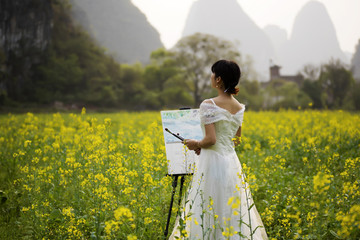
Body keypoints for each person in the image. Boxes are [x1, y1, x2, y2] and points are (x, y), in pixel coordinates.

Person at [169, 60, 268, 239]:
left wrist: (197, 144)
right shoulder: (239, 107)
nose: (211, 77)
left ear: (219, 79)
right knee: (231, 207)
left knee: (208, 206)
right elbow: (236, 140)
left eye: (213, 74)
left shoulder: (209, 104)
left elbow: (211, 139)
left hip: (212, 163)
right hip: (231, 162)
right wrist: (207, 145)